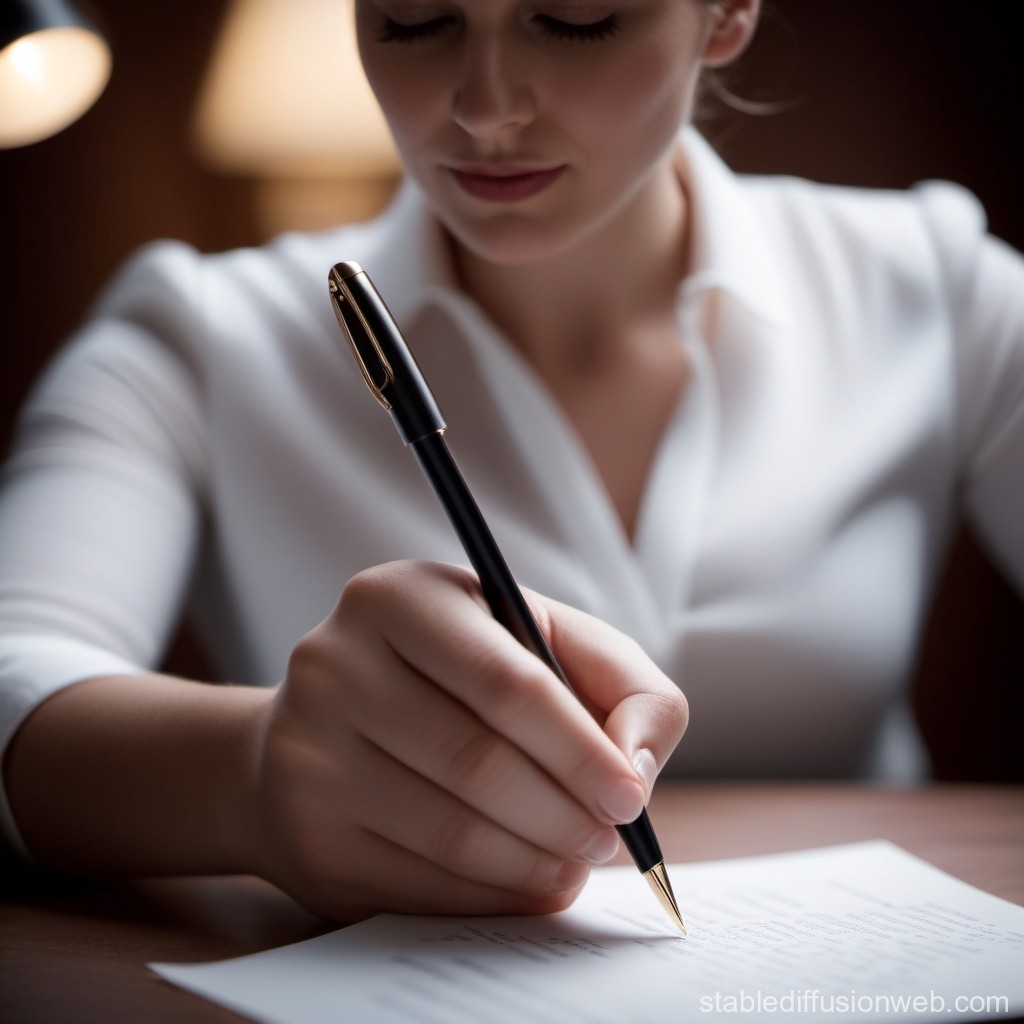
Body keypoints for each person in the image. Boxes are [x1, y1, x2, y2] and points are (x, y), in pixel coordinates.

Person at [0, 0, 1021, 924]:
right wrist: (254, 771)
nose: (485, 110)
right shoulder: (200, 335)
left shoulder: (932, 286)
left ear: (726, 14)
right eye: (411, 20)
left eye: (574, 20)